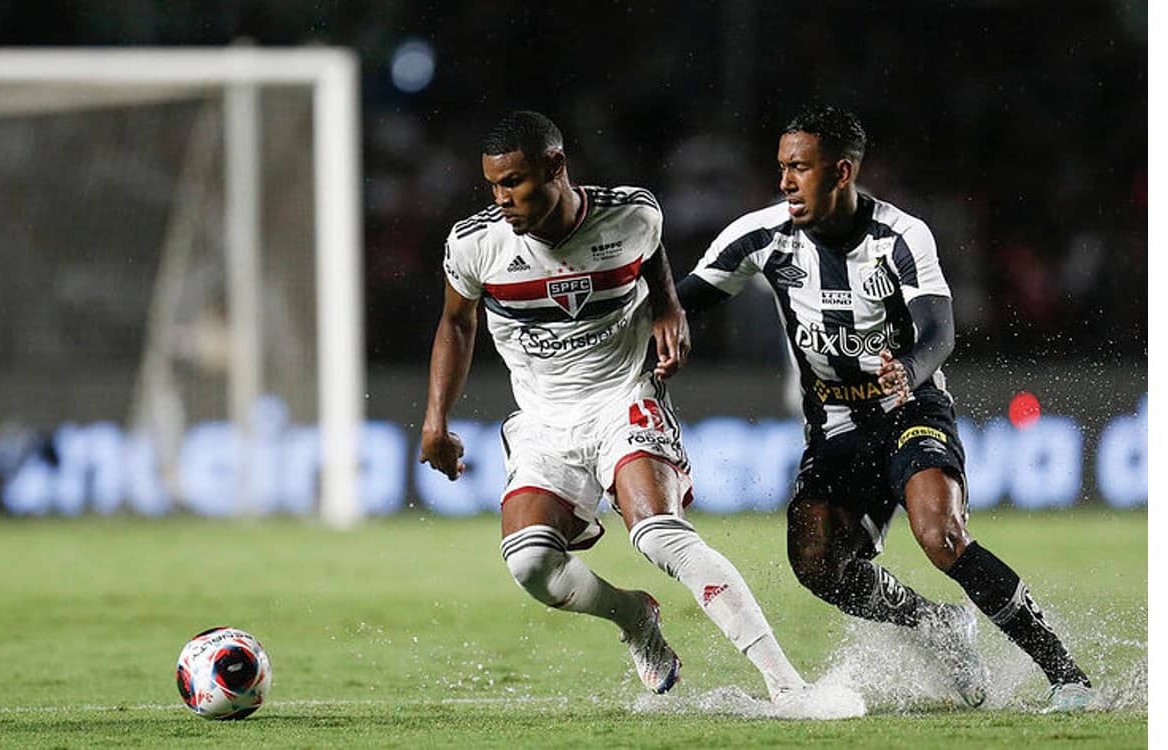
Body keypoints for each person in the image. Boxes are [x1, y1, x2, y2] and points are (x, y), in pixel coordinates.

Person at [419, 110, 846, 713]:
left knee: (661, 535)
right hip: (544, 420)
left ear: (556, 167)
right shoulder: (475, 244)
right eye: (493, 185)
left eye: (514, 182)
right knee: (532, 565)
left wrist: (670, 308)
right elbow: (455, 324)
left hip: (624, 398)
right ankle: (635, 619)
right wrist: (436, 420)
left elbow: (652, 261)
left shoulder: (632, 214)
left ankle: (787, 685)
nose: (503, 199)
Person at [675, 105, 1097, 713]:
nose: (786, 181)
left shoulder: (901, 236)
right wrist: (647, 324)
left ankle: (1067, 676)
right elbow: (684, 299)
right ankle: (938, 626)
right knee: (818, 564)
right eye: (782, 168)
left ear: (841, 172)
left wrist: (911, 370)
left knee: (941, 534)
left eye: (801, 168)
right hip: (834, 426)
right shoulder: (760, 236)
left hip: (910, 408)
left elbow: (939, 332)